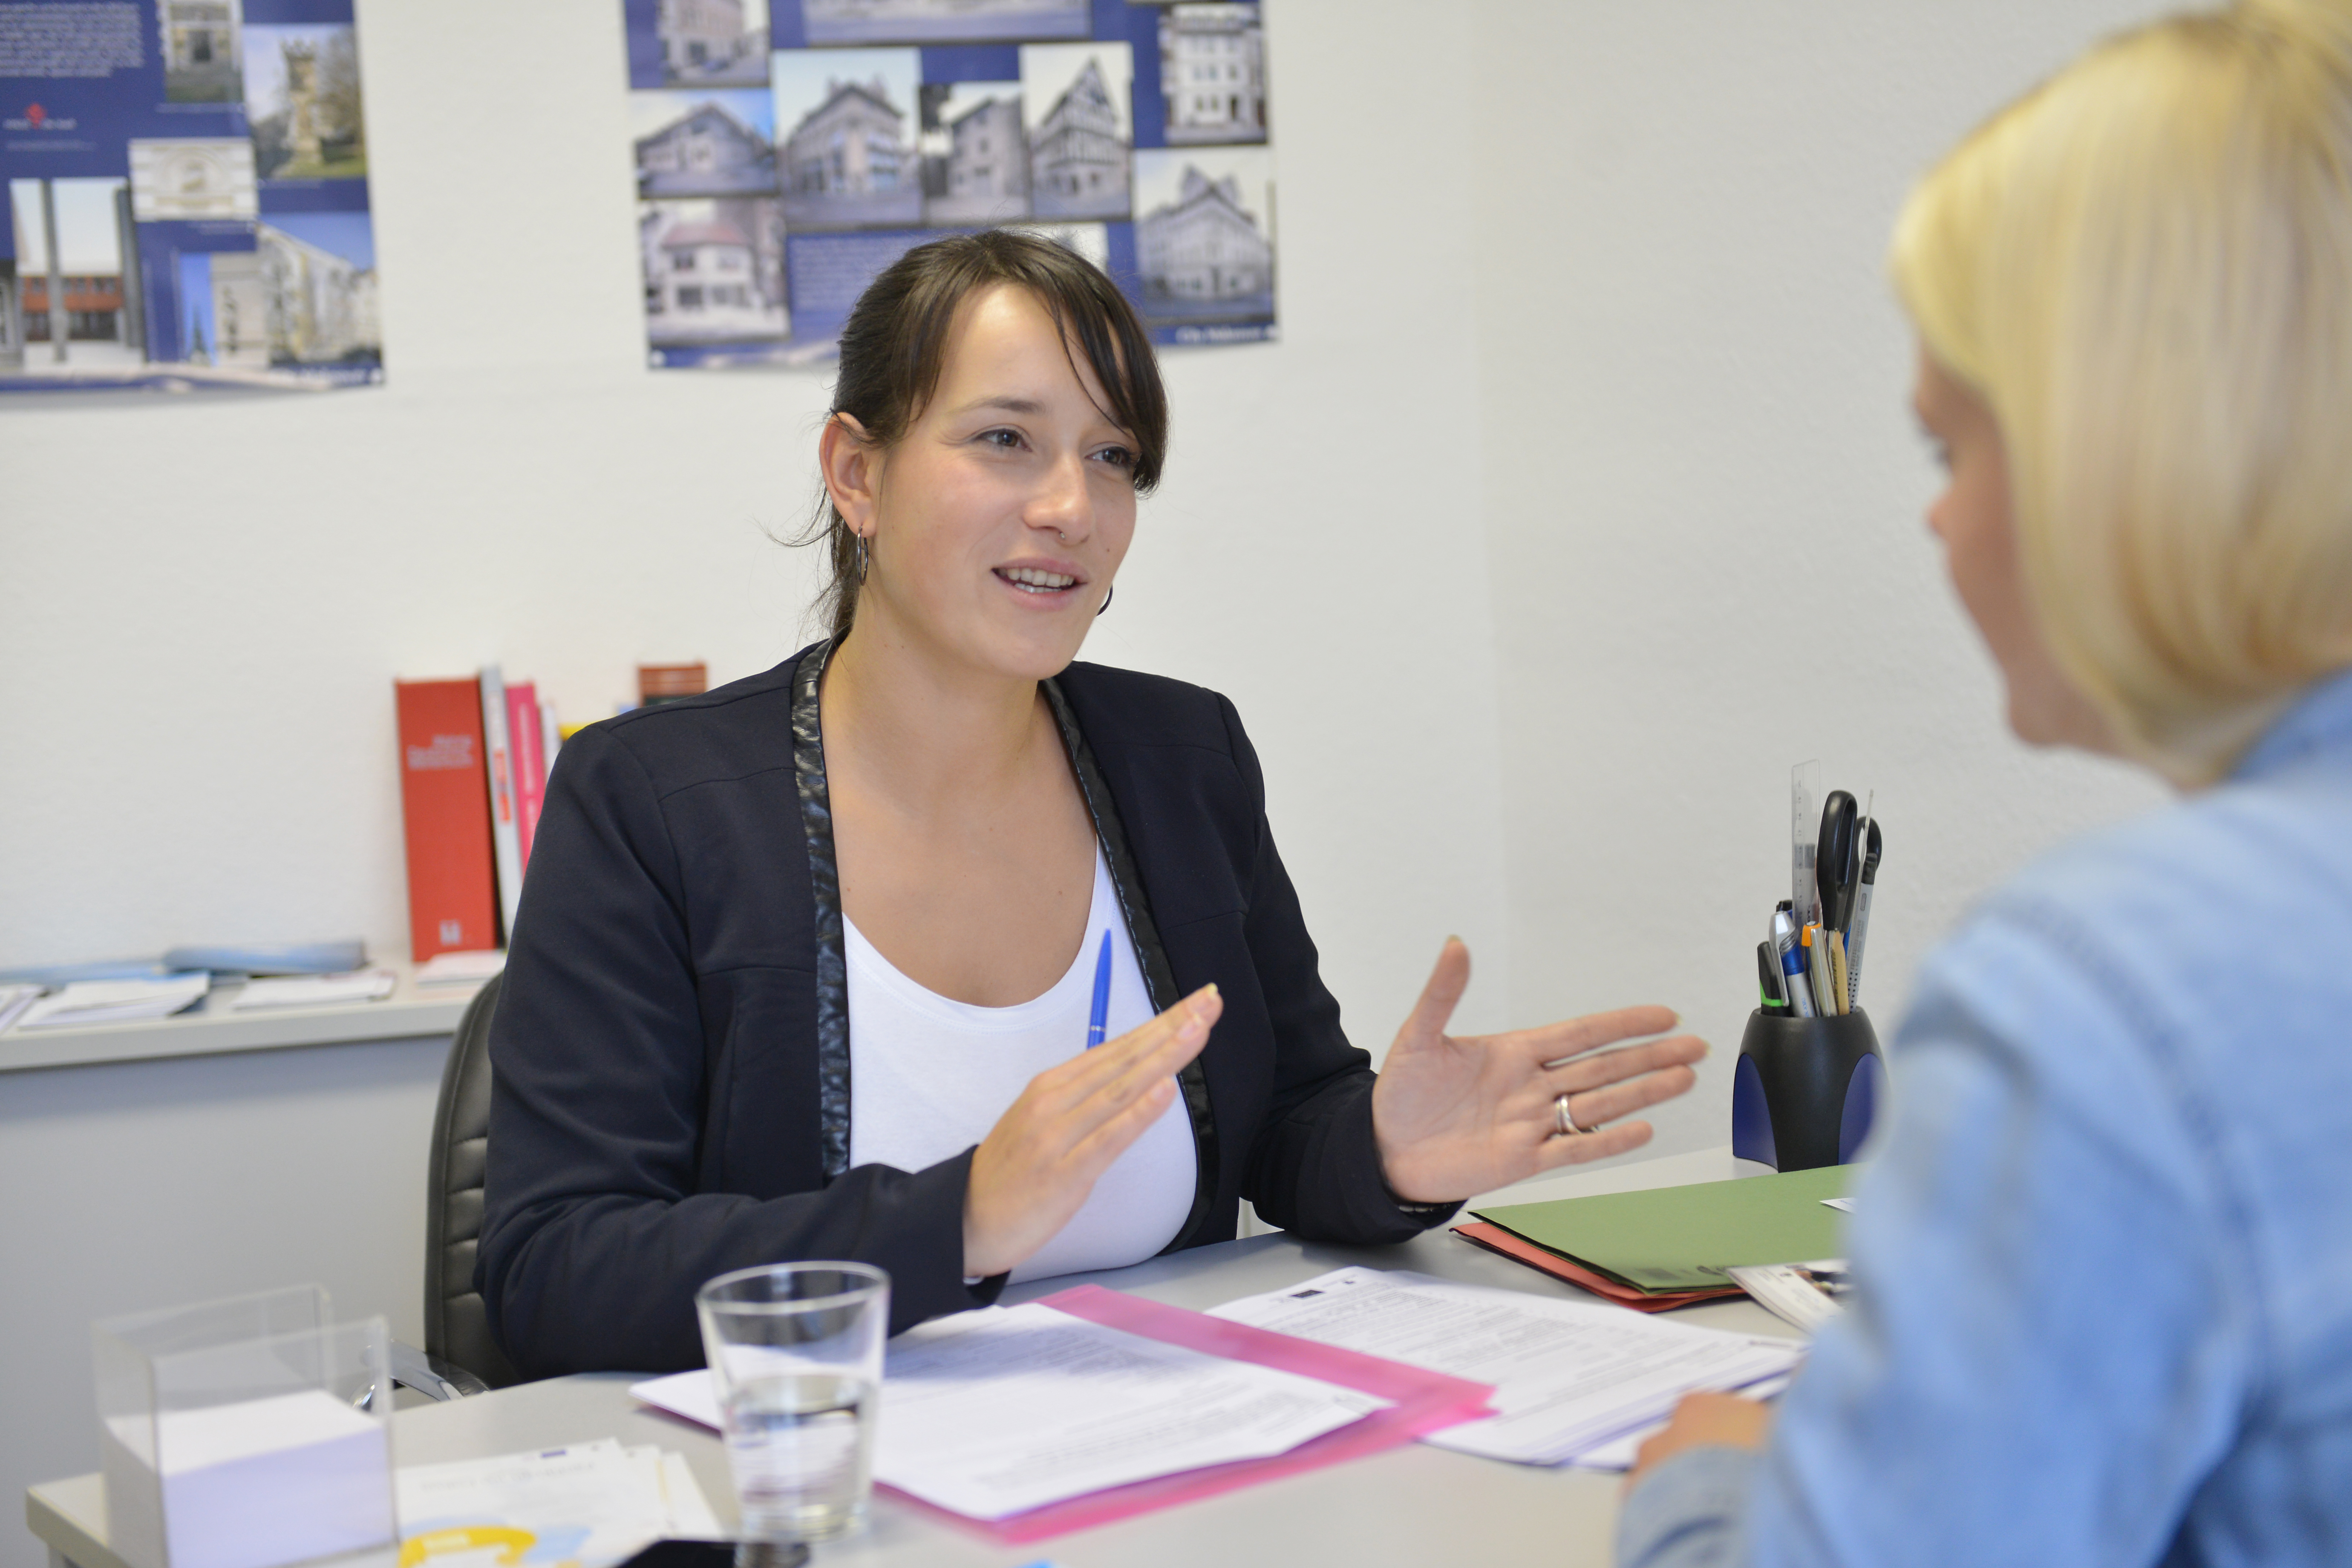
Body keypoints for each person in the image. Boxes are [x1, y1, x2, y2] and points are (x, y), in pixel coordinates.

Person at [477, 231, 1707, 1377]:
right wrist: (957, 1217)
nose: (1073, 506)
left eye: (1112, 456)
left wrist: (1387, 1152)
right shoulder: (650, 799)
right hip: (825, 1493)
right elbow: (555, 1272)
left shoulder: (1180, 754)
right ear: (858, 472)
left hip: (1154, 1477)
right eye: (1006, 439)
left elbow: (1282, 1123)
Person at [1619, 2, 2352, 1562]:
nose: (1941, 528)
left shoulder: (2125, 983)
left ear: (2131, 454)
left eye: (1955, 452)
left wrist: (1699, 1495)